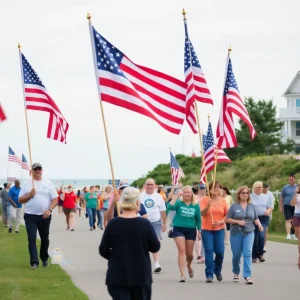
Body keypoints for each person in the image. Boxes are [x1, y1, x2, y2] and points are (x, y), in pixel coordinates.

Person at [99, 187, 160, 300]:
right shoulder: (144, 224)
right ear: (137, 202)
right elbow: (155, 246)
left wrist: (115, 256)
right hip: (141, 275)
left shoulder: (113, 224)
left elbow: (103, 250)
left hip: (117, 275)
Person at [18, 163, 58, 269]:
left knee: (45, 238)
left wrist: (49, 210)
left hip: (44, 216)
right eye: (35, 169)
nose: (38, 171)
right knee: (31, 238)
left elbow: (55, 199)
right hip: (30, 216)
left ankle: (44, 258)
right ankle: (34, 262)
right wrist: (29, 195)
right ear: (32, 171)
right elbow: (20, 200)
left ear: (42, 170)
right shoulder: (27, 184)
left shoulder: (48, 183)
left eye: (39, 169)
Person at [226, 186, 263, 284]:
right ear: (239, 194)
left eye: (247, 193)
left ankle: (247, 276)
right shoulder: (234, 206)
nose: (245, 194)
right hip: (236, 233)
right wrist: (237, 221)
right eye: (243, 193)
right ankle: (236, 272)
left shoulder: (251, 206)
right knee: (236, 255)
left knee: (248, 253)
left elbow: (255, 218)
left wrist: (259, 225)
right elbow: (227, 219)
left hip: (249, 232)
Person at [167, 186, 201, 282]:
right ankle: (182, 275)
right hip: (178, 228)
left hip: (191, 229)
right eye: (185, 192)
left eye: (189, 192)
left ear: (191, 194)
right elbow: (169, 207)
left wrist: (200, 231)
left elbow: (198, 219)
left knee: (189, 254)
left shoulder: (195, 205)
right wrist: (176, 196)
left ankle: (189, 265)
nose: (187, 194)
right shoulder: (178, 203)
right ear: (182, 193)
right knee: (181, 250)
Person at [200, 181, 228, 283]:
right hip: (207, 229)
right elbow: (201, 213)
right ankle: (209, 274)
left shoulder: (223, 201)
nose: (216, 188)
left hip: (219, 229)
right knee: (209, 251)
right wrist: (208, 206)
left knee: (220, 252)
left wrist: (220, 221)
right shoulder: (205, 200)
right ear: (210, 189)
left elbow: (227, 215)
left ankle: (217, 270)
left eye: (218, 187)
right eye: (214, 187)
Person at [140, 178, 167, 273]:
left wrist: (164, 223)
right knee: (143, 243)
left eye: (151, 184)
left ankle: (156, 263)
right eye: (148, 184)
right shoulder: (140, 196)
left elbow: (163, 211)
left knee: (156, 241)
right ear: (145, 185)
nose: (150, 186)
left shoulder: (158, 196)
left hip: (156, 222)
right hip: (143, 222)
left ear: (154, 186)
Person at [250, 181, 272, 263]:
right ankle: (253, 255)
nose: (260, 189)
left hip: (263, 218)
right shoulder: (250, 197)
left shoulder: (265, 197)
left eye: (261, 187)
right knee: (254, 237)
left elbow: (270, 207)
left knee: (261, 236)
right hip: (253, 218)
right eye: (258, 187)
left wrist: (268, 211)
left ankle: (260, 253)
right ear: (254, 188)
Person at [280, 174, 298, 240]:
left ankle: (293, 234)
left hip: (296, 206)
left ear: (295, 179)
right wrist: (281, 207)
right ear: (288, 179)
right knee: (288, 220)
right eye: (290, 179)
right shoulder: (285, 187)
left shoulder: (297, 187)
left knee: (294, 221)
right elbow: (282, 197)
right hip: (287, 205)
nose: (291, 180)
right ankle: (288, 234)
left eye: (292, 179)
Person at [194, 183, 206, 263]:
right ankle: (199, 255)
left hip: (205, 220)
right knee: (197, 237)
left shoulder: (208, 198)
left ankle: (203, 255)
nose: (202, 190)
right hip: (195, 220)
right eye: (200, 188)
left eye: (203, 188)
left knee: (204, 238)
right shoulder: (194, 198)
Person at [262, 182, 275, 250]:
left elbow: (271, 206)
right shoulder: (259, 193)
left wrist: (267, 212)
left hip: (267, 215)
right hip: (258, 215)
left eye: (266, 188)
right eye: (263, 187)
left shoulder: (270, 195)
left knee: (265, 230)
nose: (264, 189)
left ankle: (264, 245)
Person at [290, 184, 300, 269]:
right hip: (298, 216)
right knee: (298, 237)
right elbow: (292, 204)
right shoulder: (297, 195)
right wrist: (295, 194)